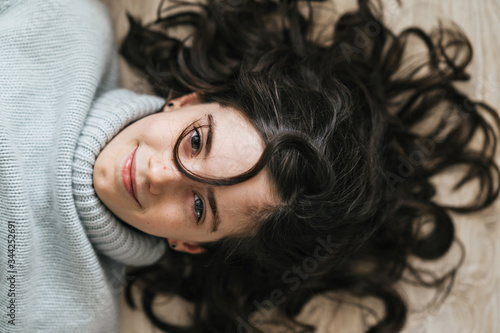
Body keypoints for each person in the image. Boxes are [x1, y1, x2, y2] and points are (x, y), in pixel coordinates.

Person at [0, 1, 496, 333]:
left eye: (198, 206)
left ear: (190, 244)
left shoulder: (71, 319)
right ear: (188, 101)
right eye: (196, 141)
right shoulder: (66, 24)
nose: (157, 175)